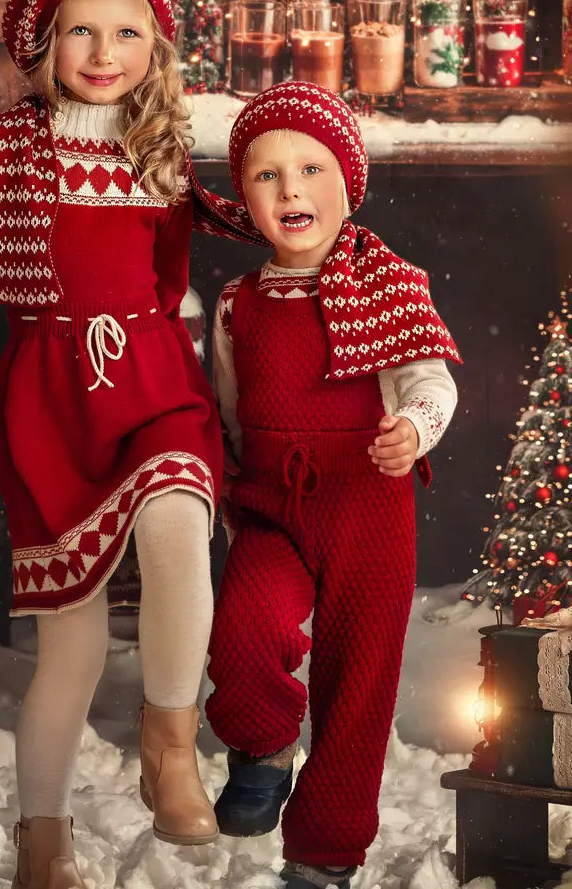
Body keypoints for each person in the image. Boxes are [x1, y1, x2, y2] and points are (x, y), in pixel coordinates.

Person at [0, 0, 258, 889]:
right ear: (43, 43)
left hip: (150, 377)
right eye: (83, 33)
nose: (106, 54)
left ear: (157, 48)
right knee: (70, 640)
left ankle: (170, 745)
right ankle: (42, 840)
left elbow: (168, 279)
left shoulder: (161, 151)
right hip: (48, 394)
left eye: (128, 34)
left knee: (183, 519)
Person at [205, 81, 461, 889]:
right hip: (272, 501)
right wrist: (230, 487)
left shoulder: (389, 284)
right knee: (244, 633)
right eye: (266, 175)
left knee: (358, 681)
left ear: (347, 183)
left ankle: (324, 851)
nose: (290, 191)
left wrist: (413, 428)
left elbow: (433, 381)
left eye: (311, 170)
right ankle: (263, 745)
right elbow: (230, 405)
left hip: (367, 502)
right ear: (243, 197)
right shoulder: (237, 301)